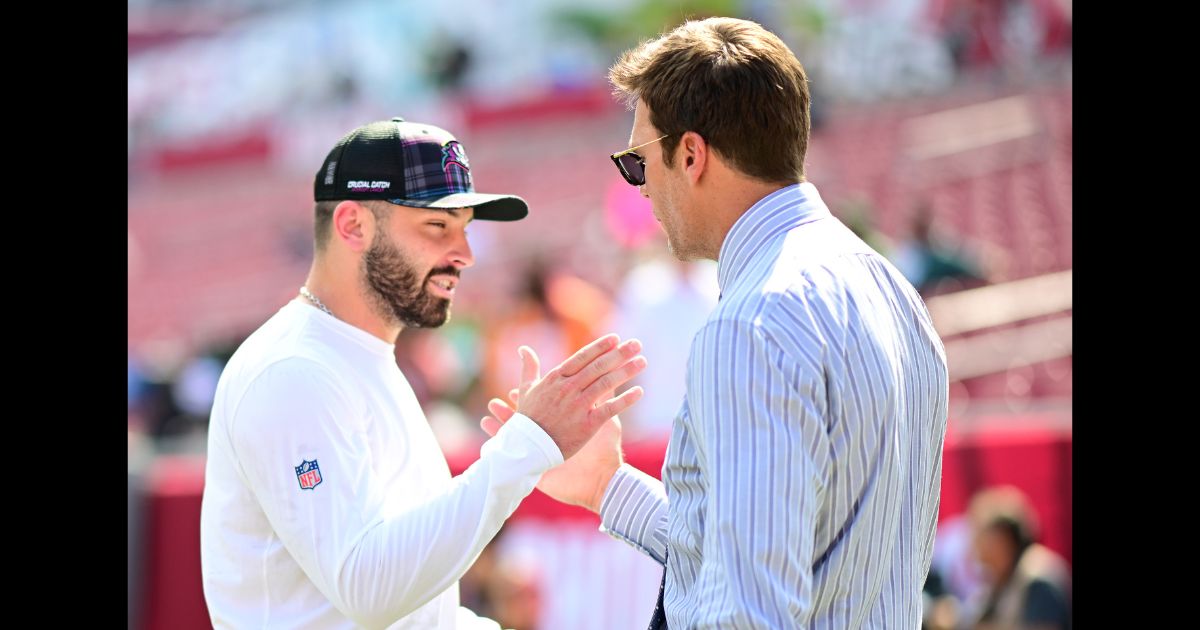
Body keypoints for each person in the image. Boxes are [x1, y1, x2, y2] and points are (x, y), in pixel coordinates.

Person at [484, 17, 949, 628]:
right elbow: (788, 559)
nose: (641, 188)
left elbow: (747, 612)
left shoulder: (750, 324)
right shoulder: (893, 291)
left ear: (691, 154)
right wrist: (606, 484)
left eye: (637, 161)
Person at [199, 117, 647, 629]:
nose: (465, 255)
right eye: (437, 226)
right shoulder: (294, 371)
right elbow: (366, 589)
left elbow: (412, 610)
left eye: (465, 229)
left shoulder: (359, 355)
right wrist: (528, 445)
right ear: (352, 226)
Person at [964, 486, 1071, 630]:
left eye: (981, 535)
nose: (975, 544)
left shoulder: (1038, 578)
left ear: (1003, 539)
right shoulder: (1004, 576)